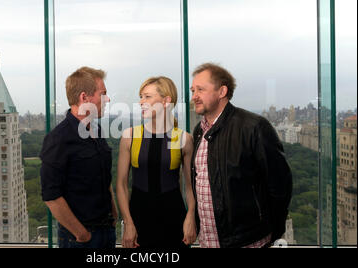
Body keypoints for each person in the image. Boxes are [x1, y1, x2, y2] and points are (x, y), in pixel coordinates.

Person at [190, 63, 293, 248]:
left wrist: (273, 231)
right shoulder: (199, 131)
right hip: (208, 241)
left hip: (247, 241)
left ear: (222, 91)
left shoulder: (253, 127)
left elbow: (280, 186)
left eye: (200, 90)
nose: (194, 96)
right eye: (193, 90)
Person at [40, 67, 117, 248]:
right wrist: (81, 234)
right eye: (103, 94)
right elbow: (51, 195)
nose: (108, 99)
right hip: (80, 239)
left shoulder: (97, 131)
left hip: (106, 232)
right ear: (85, 98)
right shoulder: (59, 138)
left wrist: (113, 214)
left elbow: (104, 178)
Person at [116, 76, 197, 249]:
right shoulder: (130, 136)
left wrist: (190, 217)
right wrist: (128, 223)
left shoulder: (182, 139)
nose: (141, 102)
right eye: (141, 96)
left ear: (166, 101)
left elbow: (190, 187)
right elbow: (121, 185)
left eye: (147, 96)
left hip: (174, 221)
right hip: (138, 222)